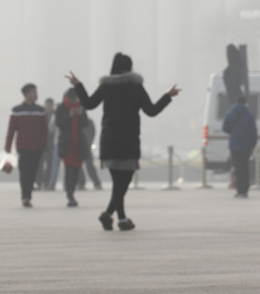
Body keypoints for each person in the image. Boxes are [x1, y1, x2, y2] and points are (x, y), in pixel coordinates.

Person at [68, 53, 179, 231]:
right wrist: (167, 96)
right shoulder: (135, 87)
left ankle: (111, 215)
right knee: (123, 182)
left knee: (118, 183)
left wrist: (78, 86)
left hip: (110, 139)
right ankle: (120, 218)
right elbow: (151, 110)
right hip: (128, 140)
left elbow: (88, 104)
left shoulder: (106, 86)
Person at [4, 83, 48, 208]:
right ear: (27, 94)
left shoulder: (40, 111)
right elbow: (11, 129)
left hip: (37, 147)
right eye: (34, 92)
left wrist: (44, 145)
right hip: (23, 147)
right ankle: (25, 197)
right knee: (24, 172)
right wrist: (8, 146)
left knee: (33, 172)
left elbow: (44, 130)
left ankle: (28, 194)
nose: (36, 94)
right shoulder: (17, 110)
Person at [54, 89, 89, 207]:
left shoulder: (80, 107)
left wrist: (80, 115)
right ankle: (69, 194)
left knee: (76, 170)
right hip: (67, 144)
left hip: (78, 145)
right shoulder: (61, 108)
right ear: (68, 98)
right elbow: (59, 123)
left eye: (75, 99)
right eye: (72, 99)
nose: (74, 101)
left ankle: (72, 191)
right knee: (69, 169)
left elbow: (86, 124)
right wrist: (70, 116)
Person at [223, 95, 258, 198]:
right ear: (245, 103)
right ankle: (245, 190)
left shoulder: (230, 114)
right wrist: (253, 144)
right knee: (245, 168)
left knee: (237, 168)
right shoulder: (249, 115)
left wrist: (233, 132)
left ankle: (239, 190)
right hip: (246, 145)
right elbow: (253, 131)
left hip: (234, 145)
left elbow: (225, 128)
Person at [77, 118, 103, 191]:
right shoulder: (87, 122)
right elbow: (93, 132)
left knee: (89, 166)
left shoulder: (87, 122)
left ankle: (95, 183)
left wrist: (89, 142)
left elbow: (93, 133)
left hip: (85, 147)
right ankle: (83, 182)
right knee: (83, 166)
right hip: (82, 146)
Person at [38, 97, 56, 191]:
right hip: (41, 143)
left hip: (51, 144)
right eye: (47, 106)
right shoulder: (41, 115)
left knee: (49, 164)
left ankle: (47, 182)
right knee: (40, 164)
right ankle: (39, 182)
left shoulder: (55, 116)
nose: (48, 108)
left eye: (50, 106)